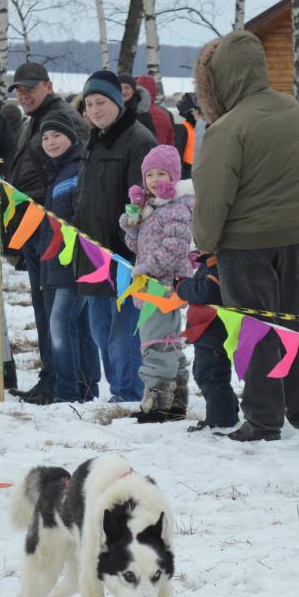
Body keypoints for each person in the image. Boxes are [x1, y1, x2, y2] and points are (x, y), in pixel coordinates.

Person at [192, 30, 299, 442]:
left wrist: (205, 242)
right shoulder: (292, 109)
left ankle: (264, 419)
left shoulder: (228, 127)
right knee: (296, 326)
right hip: (293, 237)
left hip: (245, 245)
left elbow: (214, 196)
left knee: (257, 332)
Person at [4, 61, 87, 404]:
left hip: (54, 222)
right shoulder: (31, 122)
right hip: (33, 221)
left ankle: (64, 383)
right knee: (42, 305)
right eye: (19, 90)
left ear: (48, 86)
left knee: (55, 309)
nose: (24, 95)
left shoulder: (64, 117)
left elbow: (78, 164)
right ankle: (49, 377)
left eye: (30, 88)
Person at [74, 69, 155, 403]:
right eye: (90, 103)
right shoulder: (94, 139)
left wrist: (136, 245)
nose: (95, 109)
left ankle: (129, 392)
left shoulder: (137, 139)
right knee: (99, 328)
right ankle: (118, 388)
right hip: (94, 250)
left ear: (118, 101)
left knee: (124, 330)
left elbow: (143, 199)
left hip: (124, 251)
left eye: (101, 101)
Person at [120, 144, 193, 423]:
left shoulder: (176, 208)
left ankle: (158, 404)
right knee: (168, 341)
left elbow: (174, 249)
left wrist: (145, 268)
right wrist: (132, 226)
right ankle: (176, 401)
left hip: (161, 287)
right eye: (150, 175)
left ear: (173, 177)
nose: (154, 180)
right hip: (150, 284)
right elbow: (137, 245)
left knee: (156, 342)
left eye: (161, 174)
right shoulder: (151, 208)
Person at [35, 110, 100, 404]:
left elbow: (79, 217)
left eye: (57, 135)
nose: (50, 142)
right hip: (57, 262)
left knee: (60, 324)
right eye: (45, 137)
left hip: (73, 261)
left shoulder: (75, 168)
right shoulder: (57, 170)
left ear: (71, 137)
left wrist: (74, 257)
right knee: (78, 326)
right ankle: (87, 390)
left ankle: (67, 393)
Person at [176, 254, 238, 432]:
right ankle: (228, 411)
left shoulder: (218, 263)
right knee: (203, 372)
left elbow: (206, 291)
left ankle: (220, 421)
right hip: (205, 332)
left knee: (211, 375)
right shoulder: (208, 262)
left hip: (214, 332)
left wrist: (182, 285)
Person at [172, 92, 203, 180]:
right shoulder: (184, 128)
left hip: (193, 168)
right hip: (187, 171)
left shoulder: (195, 127)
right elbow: (178, 154)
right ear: (192, 112)